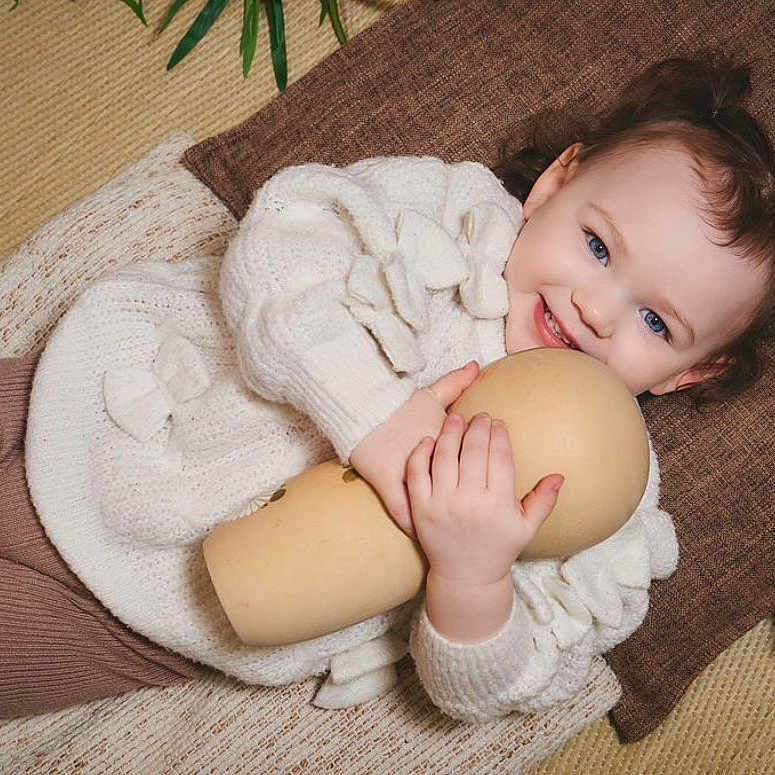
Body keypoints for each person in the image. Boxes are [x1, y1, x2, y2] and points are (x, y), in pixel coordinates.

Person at [5, 56, 774, 720]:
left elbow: (502, 685)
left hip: (149, 612)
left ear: (688, 371)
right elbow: (279, 239)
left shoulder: (606, 505)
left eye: (654, 320)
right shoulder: (446, 217)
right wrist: (372, 412)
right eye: (598, 245)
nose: (595, 309)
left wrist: (471, 577)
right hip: (109, 399)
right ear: (552, 183)